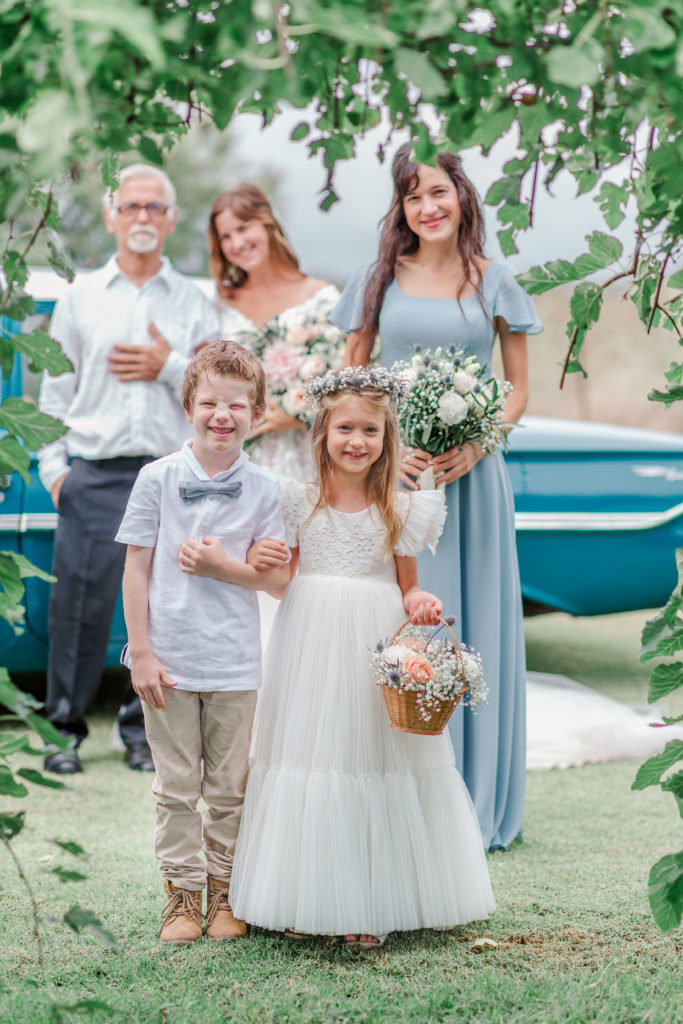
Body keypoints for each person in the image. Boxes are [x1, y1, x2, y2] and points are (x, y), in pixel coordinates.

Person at [201, 366, 495, 944]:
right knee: (311, 755)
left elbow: (408, 586)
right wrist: (250, 562)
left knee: (368, 757)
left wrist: (422, 602)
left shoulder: (400, 508)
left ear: (387, 438)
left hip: (372, 639)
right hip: (309, 639)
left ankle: (369, 904)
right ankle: (302, 897)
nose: (357, 441)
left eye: (370, 431)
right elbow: (282, 581)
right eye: (345, 429)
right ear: (322, 433)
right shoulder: (296, 502)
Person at [329, 144, 542, 850]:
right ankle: (395, 801)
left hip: (471, 484)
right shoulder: (377, 279)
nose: (428, 206)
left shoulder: (495, 282)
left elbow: (517, 388)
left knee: (471, 626)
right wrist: (385, 448)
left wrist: (478, 443)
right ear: (401, 209)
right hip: (394, 481)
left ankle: (475, 801)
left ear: (462, 197)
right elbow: (350, 378)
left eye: (439, 191)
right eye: (413, 195)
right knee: (396, 623)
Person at [38, 164, 221, 775]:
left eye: (154, 208)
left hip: (172, 474)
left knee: (164, 607)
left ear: (171, 219)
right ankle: (63, 731)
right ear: (112, 216)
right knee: (78, 607)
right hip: (92, 471)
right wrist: (56, 472)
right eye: (131, 207)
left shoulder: (194, 303)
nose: (142, 217)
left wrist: (169, 366)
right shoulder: (80, 297)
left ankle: (142, 734)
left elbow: (217, 392)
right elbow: (55, 392)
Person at [116, 341, 289, 944]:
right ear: (188, 406)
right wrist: (141, 653)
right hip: (169, 662)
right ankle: (182, 897)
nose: (222, 415)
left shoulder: (267, 490)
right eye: (210, 402)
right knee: (175, 788)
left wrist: (232, 566)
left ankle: (225, 894)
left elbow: (277, 581)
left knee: (229, 789)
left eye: (237, 405)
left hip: (235, 662)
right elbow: (135, 570)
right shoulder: (156, 478)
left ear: (257, 414)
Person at [208, 184, 343, 481]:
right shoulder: (218, 305)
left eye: (243, 228)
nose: (237, 243)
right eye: (225, 236)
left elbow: (347, 383)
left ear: (268, 224)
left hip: (308, 454)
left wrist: (301, 412)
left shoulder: (322, 299)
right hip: (237, 457)